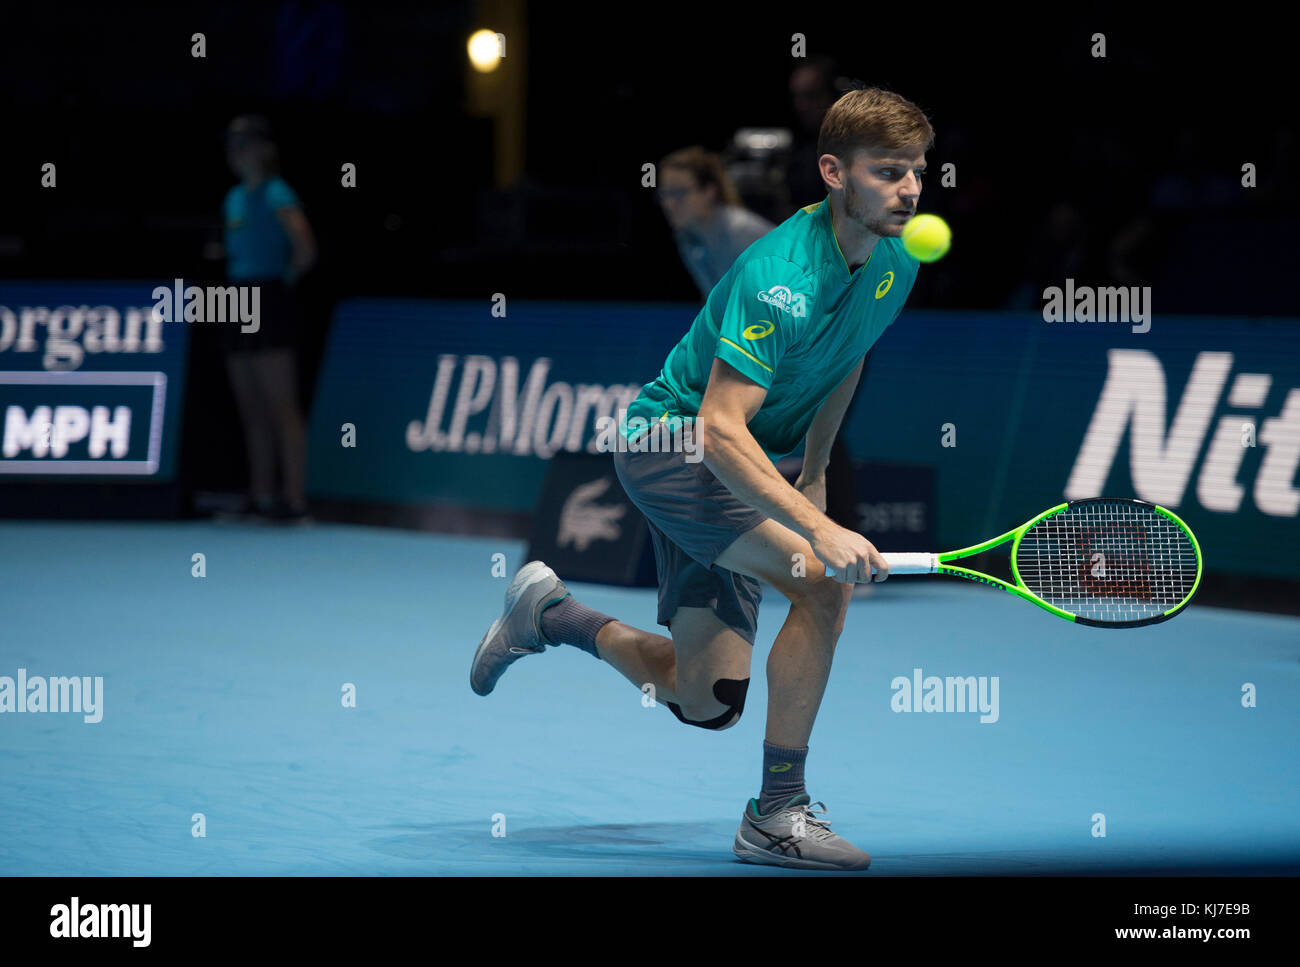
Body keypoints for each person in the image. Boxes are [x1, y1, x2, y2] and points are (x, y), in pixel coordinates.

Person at [472, 87, 933, 870]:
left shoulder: (897, 257)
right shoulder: (779, 272)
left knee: (705, 698)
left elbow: (850, 354)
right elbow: (719, 428)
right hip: (671, 445)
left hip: (729, 456)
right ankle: (776, 812)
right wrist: (818, 530)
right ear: (833, 171)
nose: (912, 189)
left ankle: (547, 614)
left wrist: (817, 473)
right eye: (888, 171)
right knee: (822, 584)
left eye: (920, 170)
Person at [220, 115, 316, 523]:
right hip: (232, 299)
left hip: (268, 298)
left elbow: (306, 249)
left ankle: (294, 500)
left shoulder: (278, 193)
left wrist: (281, 284)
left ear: (263, 149)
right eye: (233, 145)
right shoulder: (232, 199)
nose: (238, 152)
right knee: (251, 407)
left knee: (282, 406)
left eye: (246, 144)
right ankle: (260, 496)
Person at [656, 146, 775, 299]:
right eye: (665, 193)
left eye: (679, 192)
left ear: (709, 192)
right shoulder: (686, 237)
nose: (668, 204)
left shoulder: (743, 232)